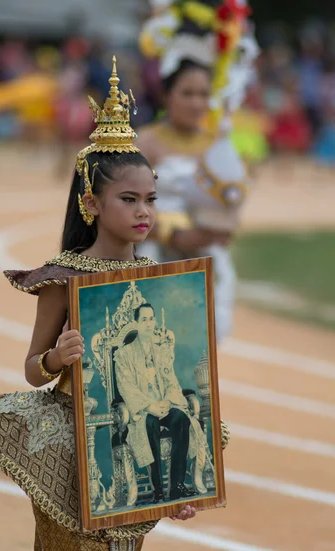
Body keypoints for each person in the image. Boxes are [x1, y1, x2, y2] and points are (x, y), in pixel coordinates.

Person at [0, 57, 224, 551]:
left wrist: (187, 481)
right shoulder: (64, 278)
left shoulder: (160, 282)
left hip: (136, 436)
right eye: (128, 199)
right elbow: (33, 370)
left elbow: (176, 381)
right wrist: (58, 358)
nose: (143, 211)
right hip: (70, 443)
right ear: (91, 203)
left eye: (150, 199)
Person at [137, 0, 255, 343]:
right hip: (151, 256)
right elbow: (124, 205)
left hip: (205, 258)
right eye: (187, 93)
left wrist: (216, 232)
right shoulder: (145, 143)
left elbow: (232, 203)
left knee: (200, 352)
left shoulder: (217, 147)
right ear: (167, 95)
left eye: (203, 94)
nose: (196, 103)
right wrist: (173, 236)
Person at [114, 303, 195, 503]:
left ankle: (176, 486)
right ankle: (158, 489)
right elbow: (126, 387)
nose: (149, 324)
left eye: (151, 319)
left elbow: (171, 381)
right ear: (136, 323)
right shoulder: (124, 355)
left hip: (164, 405)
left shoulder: (162, 351)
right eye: (144, 320)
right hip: (142, 411)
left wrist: (167, 401)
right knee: (150, 424)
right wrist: (150, 406)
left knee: (182, 419)